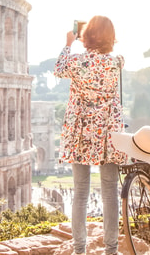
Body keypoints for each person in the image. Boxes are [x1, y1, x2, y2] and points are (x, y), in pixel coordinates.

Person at [54, 15, 126, 255]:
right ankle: (111, 251)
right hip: (107, 130)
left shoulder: (76, 62)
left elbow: (59, 69)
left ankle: (79, 250)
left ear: (86, 36)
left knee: (81, 192)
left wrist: (68, 42)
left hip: (80, 130)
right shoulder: (117, 61)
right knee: (109, 192)